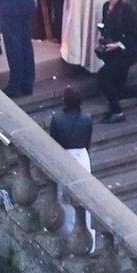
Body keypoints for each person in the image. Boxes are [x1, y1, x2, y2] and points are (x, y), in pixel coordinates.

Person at [47, 87, 96, 242]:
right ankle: (85, 233)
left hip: (64, 155)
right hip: (82, 156)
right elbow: (88, 141)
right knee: (84, 195)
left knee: (64, 197)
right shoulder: (87, 118)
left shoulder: (57, 119)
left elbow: (53, 141)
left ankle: (67, 232)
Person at [95, 0, 137, 123]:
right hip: (113, 51)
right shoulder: (105, 7)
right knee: (120, 88)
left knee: (103, 75)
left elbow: (134, 34)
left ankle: (117, 111)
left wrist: (118, 44)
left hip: (125, 52)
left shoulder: (126, 9)